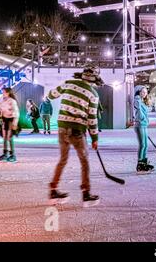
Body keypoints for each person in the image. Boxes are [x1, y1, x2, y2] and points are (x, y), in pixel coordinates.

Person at [48, 65, 102, 207]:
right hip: (77, 130)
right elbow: (92, 118)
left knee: (63, 159)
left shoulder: (68, 83)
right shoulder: (93, 94)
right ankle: (86, 194)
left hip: (62, 128)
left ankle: (53, 190)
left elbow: (51, 95)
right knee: (84, 161)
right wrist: (95, 138)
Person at [133, 85, 155, 173]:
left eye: (145, 92)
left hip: (144, 124)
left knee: (145, 145)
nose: (144, 94)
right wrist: (142, 118)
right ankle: (140, 163)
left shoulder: (142, 101)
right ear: (139, 92)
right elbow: (138, 111)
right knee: (142, 145)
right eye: (142, 92)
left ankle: (144, 161)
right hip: (140, 125)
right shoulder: (137, 100)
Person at [0, 88, 20, 163]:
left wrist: (15, 123)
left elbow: (16, 112)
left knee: (9, 137)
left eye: (4, 92)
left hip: (11, 120)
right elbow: (0, 109)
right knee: (4, 137)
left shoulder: (12, 101)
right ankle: (5, 153)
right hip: (5, 120)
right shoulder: (3, 101)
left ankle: (13, 155)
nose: (3, 93)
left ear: (8, 93)